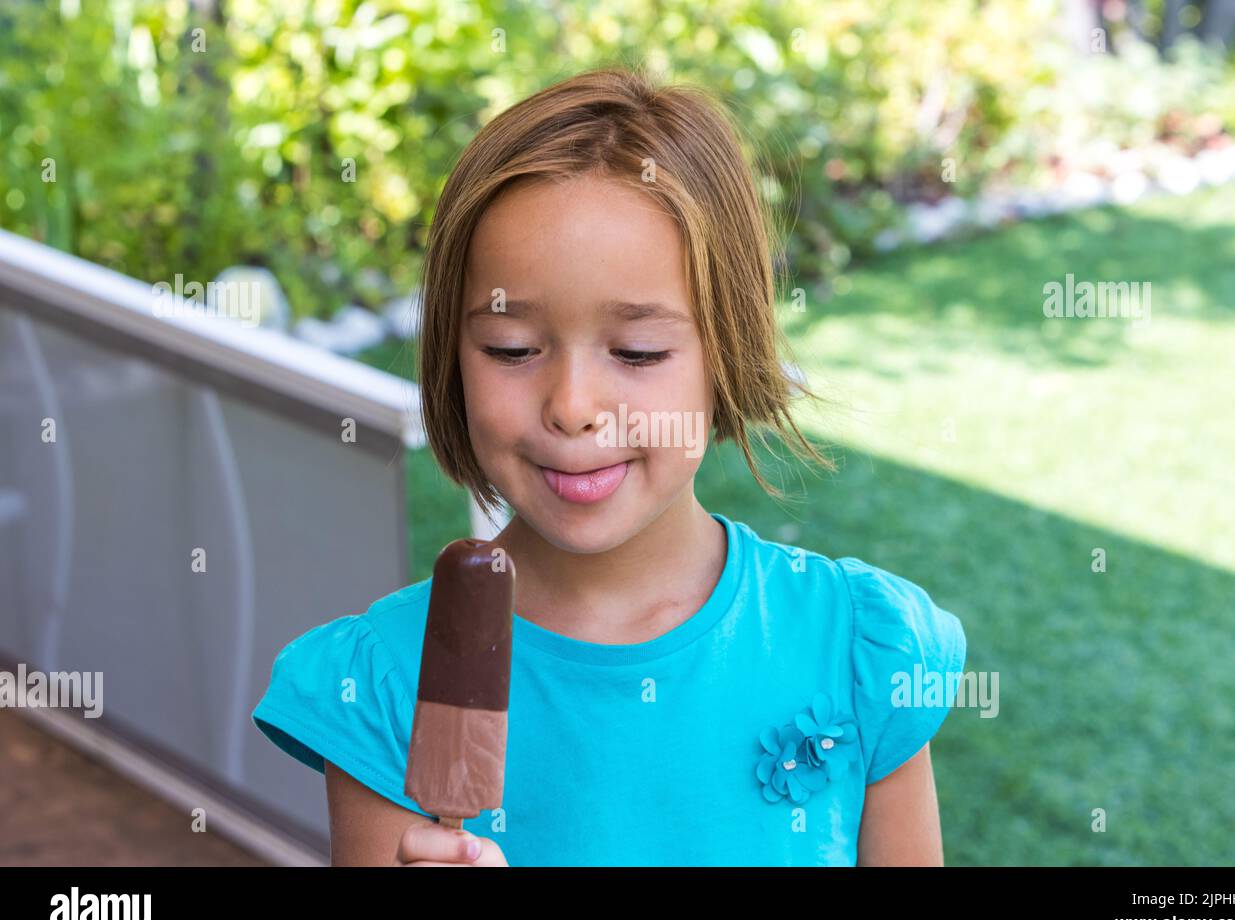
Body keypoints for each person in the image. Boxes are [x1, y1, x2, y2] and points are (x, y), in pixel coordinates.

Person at [251, 66, 967, 866]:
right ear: (452, 359)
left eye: (638, 351)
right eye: (512, 349)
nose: (573, 404)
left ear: (727, 352)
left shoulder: (856, 649)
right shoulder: (385, 685)